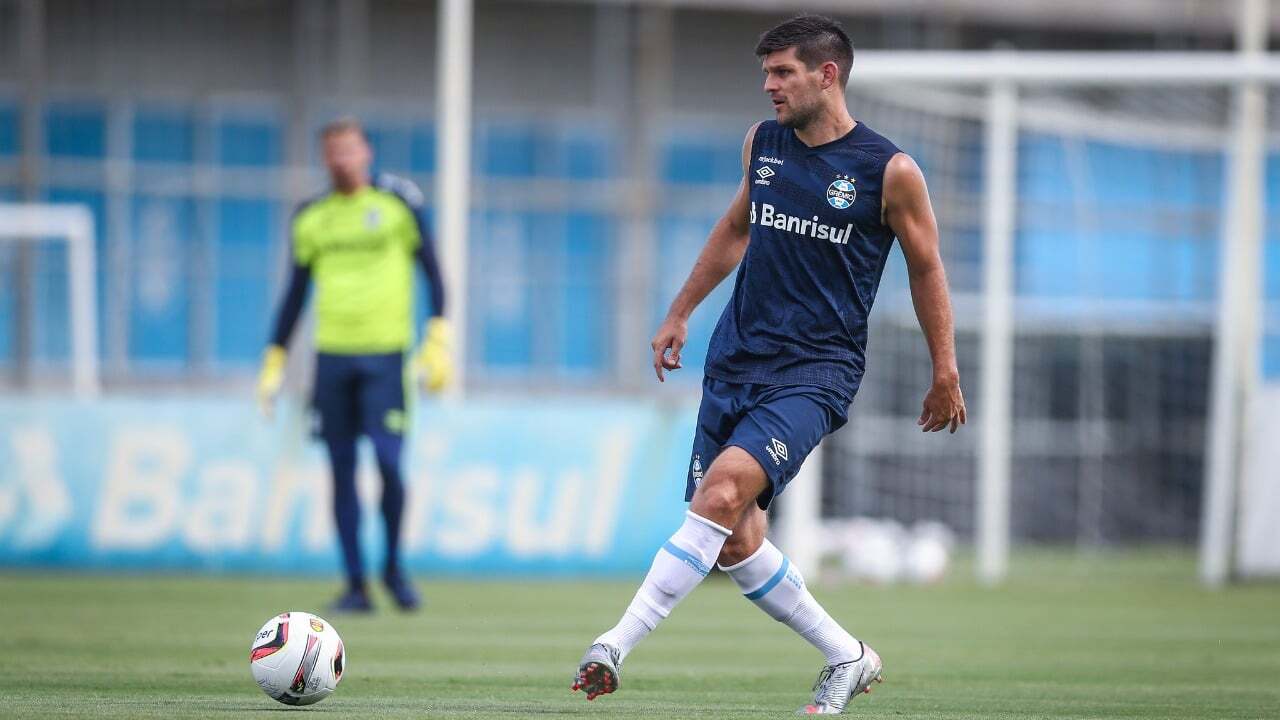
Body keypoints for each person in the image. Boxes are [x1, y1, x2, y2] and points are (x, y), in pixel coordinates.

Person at [571, 15, 966, 714]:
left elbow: (927, 268)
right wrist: (680, 310)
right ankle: (848, 654)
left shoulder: (889, 171)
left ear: (827, 74)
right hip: (735, 360)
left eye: (782, 72)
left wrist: (947, 371)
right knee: (735, 541)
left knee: (719, 496)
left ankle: (612, 645)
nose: (768, 86)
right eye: (766, 73)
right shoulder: (764, 143)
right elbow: (736, 227)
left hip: (815, 372)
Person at [256, 118, 451, 613]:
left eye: (350, 149)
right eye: (333, 152)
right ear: (326, 159)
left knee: (388, 464)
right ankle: (356, 584)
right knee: (341, 470)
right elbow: (295, 294)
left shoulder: (398, 204)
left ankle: (393, 568)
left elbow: (433, 271)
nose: (342, 159)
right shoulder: (312, 217)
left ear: (366, 152)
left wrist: (438, 337)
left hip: (386, 358)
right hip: (333, 360)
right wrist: (274, 357)